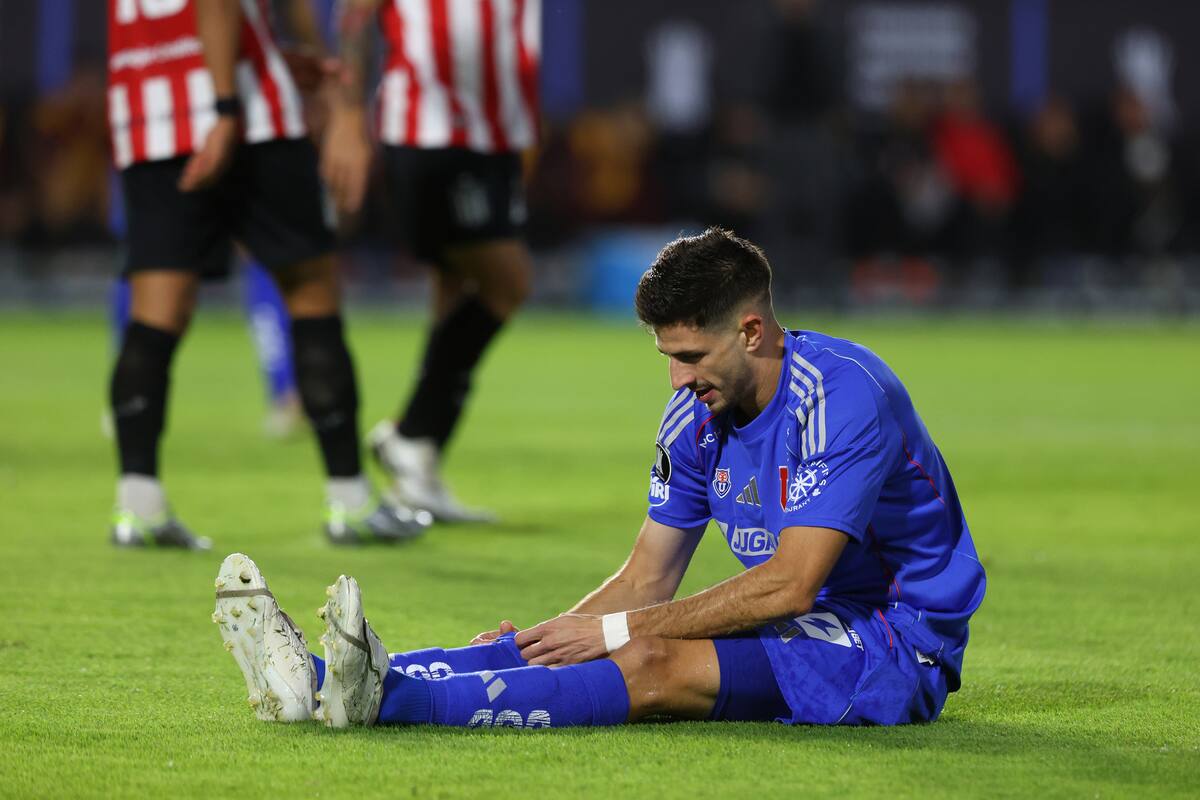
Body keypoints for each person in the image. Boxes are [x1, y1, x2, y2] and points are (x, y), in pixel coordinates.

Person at [214, 228, 986, 726]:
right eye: (666, 359)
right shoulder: (695, 414)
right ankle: (317, 680)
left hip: (894, 636)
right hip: (804, 615)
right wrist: (554, 632)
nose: (677, 382)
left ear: (752, 331)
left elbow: (791, 585)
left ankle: (392, 701)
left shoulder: (843, 395)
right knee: (566, 644)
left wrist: (610, 633)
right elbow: (647, 576)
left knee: (646, 660)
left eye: (691, 356)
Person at [106, 0, 428, 548]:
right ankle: (349, 501)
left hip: (149, 116)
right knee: (311, 294)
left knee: (156, 313)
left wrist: (270, 54)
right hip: (249, 116)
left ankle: (138, 508)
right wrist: (228, 103)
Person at [319, 0, 540, 522]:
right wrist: (348, 115)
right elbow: (355, 13)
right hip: (432, 129)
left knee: (454, 288)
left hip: (497, 131)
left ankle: (418, 470)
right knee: (507, 283)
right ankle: (414, 434)